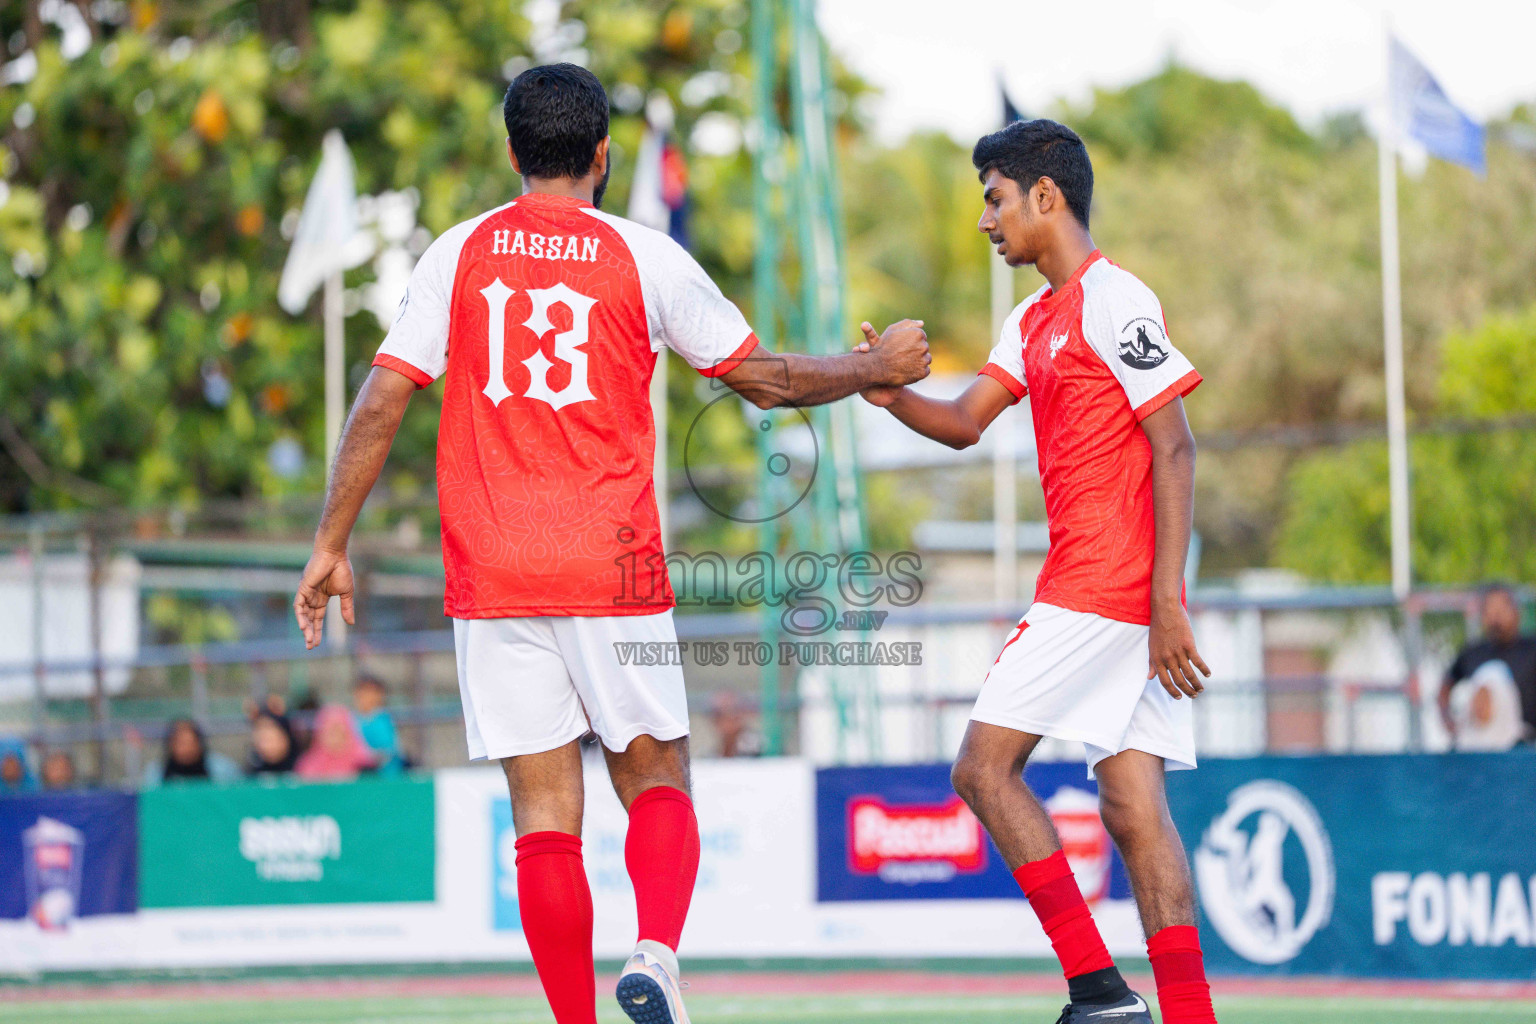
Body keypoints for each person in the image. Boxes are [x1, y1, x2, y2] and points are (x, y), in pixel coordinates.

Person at [292, 63, 929, 1024]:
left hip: (494, 571)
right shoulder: (645, 256)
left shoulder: (456, 253)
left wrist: (330, 542)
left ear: (513, 153)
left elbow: (383, 394)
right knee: (657, 778)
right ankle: (657, 957)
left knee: (543, 819)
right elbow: (763, 381)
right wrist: (872, 366)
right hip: (609, 563)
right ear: (601, 154)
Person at [855, 119, 1216, 1024]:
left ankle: (1098, 990)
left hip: (1105, 588)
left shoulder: (1115, 296)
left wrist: (1166, 602)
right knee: (1133, 806)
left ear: (1044, 196)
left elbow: (1173, 448)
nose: (986, 220)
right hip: (1112, 593)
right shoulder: (1032, 318)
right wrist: (888, 391)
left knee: (982, 770)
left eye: (994, 198)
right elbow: (966, 421)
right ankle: (1190, 1015)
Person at [1439, 585, 1535, 747]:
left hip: (1526, 750)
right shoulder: (1473, 653)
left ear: (1516, 612)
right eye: (1489, 610)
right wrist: (1447, 718)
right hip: (1481, 750)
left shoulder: (1532, 649)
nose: (1495, 616)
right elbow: (1446, 685)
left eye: (1501, 608)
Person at [143, 718, 242, 786]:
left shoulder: (222, 769)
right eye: (181, 743)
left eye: (190, 743)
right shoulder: (156, 773)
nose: (187, 749)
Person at [295, 704, 378, 781]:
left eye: (338, 731)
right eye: (329, 732)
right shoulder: (308, 765)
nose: (335, 738)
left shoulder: (364, 763)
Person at [353, 674, 406, 774]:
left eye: (372, 692)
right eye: (363, 692)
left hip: (383, 772)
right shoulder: (352, 719)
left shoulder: (383, 721)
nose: (367, 697)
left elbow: (389, 750)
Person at [247, 709, 299, 776]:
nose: (265, 746)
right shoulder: (253, 773)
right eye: (262, 740)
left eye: (269, 739)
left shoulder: (303, 769)